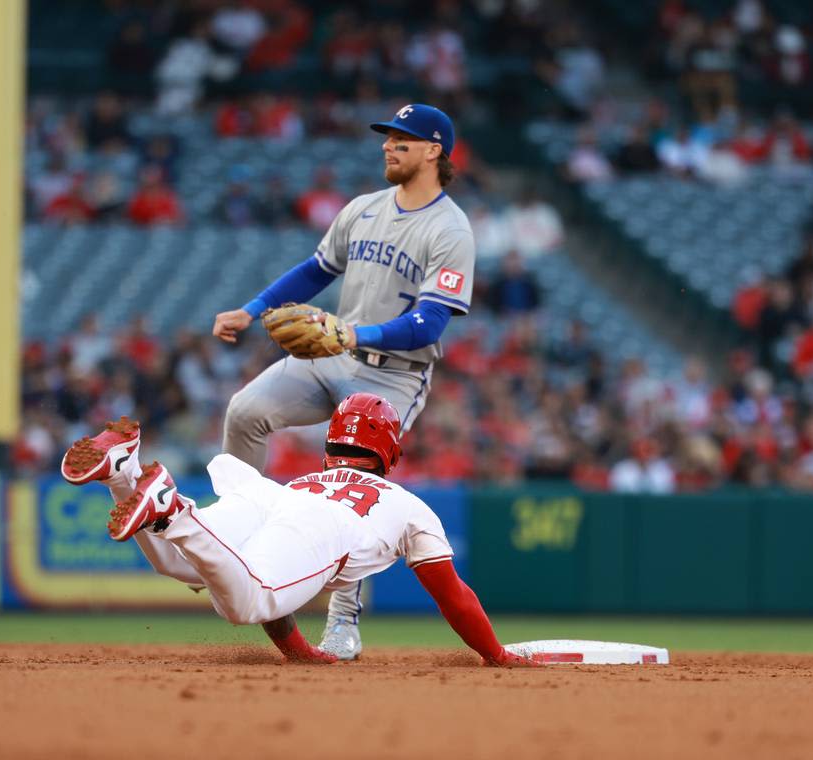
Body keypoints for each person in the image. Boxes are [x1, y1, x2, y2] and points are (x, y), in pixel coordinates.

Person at [210, 104, 475, 660]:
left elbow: (429, 322)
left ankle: (343, 619)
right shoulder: (362, 209)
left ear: (434, 151)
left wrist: (355, 334)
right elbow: (315, 271)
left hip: (395, 375)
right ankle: (235, 533)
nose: (388, 146)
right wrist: (252, 308)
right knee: (244, 412)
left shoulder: (450, 230)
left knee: (351, 488)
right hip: (332, 355)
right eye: (387, 138)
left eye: (402, 139)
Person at [60, 394, 532, 668]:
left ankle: (123, 473)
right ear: (389, 451)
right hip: (323, 526)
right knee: (247, 601)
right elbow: (454, 597)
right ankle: (173, 507)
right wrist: (496, 655)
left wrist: (299, 652)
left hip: (271, 495)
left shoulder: (308, 477)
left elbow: (280, 583)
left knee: (176, 562)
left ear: (331, 443)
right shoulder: (409, 506)